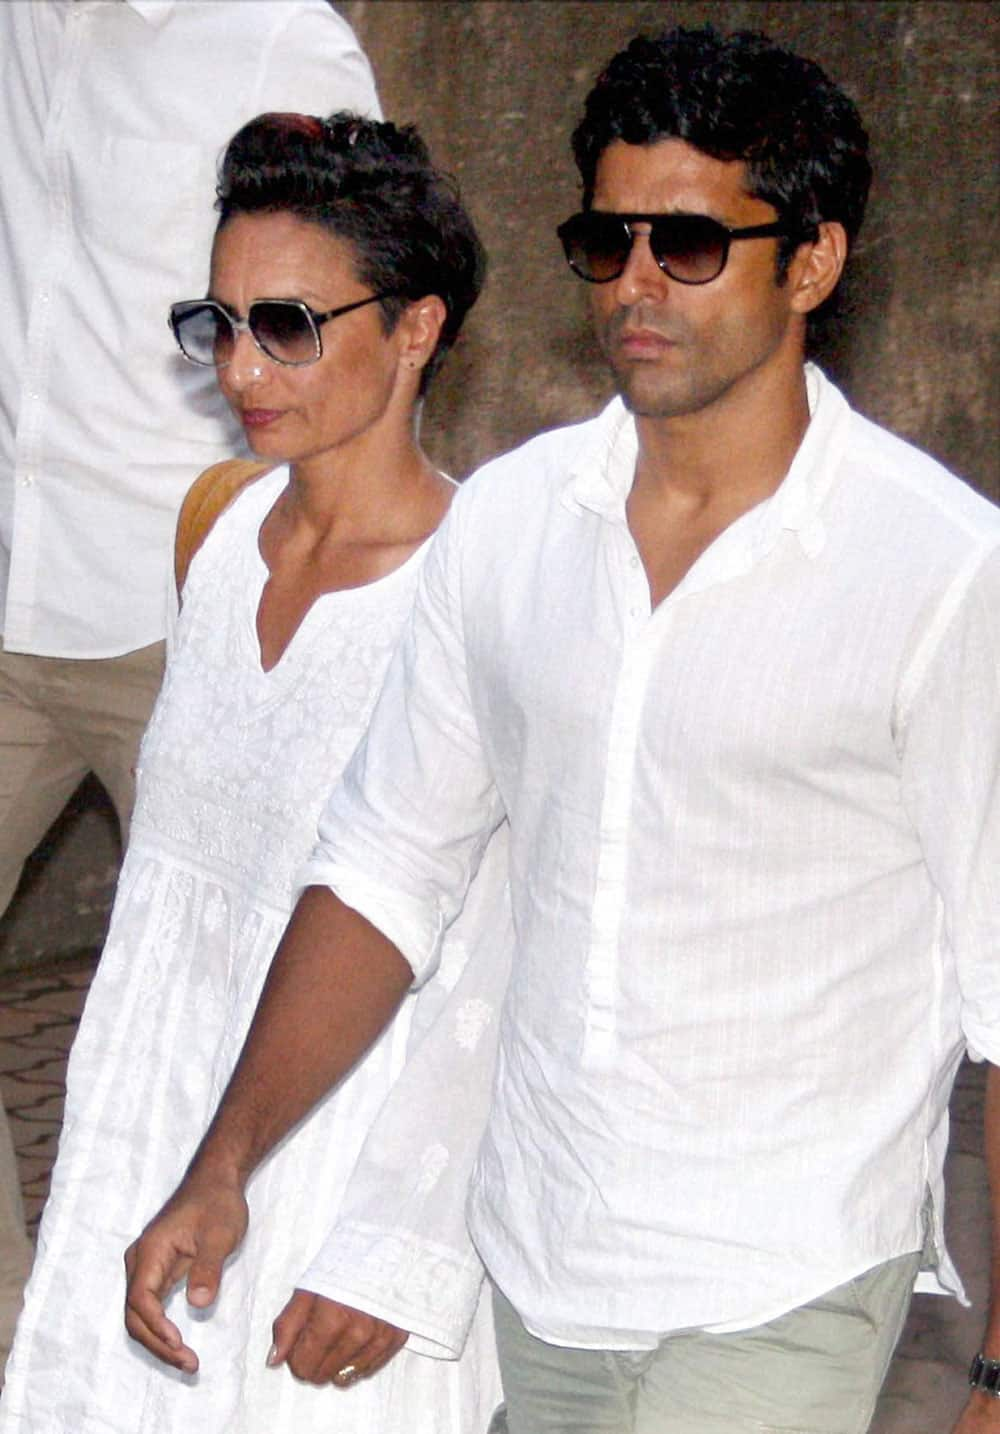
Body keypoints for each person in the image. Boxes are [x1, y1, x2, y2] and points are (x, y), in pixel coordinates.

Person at [122, 25, 999, 1434]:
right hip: (543, 1266)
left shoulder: (940, 573)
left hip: (782, 1273)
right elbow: (388, 866)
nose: (638, 283)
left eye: (692, 244)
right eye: (609, 239)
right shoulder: (514, 529)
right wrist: (225, 1161)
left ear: (815, 262)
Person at [0, 112, 508, 1433]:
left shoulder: (481, 590)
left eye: (286, 325)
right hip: (152, 1113)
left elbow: (490, 960)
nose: (239, 365)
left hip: (344, 1152)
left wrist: (404, 1241)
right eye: (215, 322)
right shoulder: (214, 528)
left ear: (416, 328)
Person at [0, 0, 380, 1368]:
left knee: (258, 1011)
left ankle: (264, 1353)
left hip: (193, 596)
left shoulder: (274, 38)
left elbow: (371, 314)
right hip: (12, 581)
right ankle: (27, 1353)